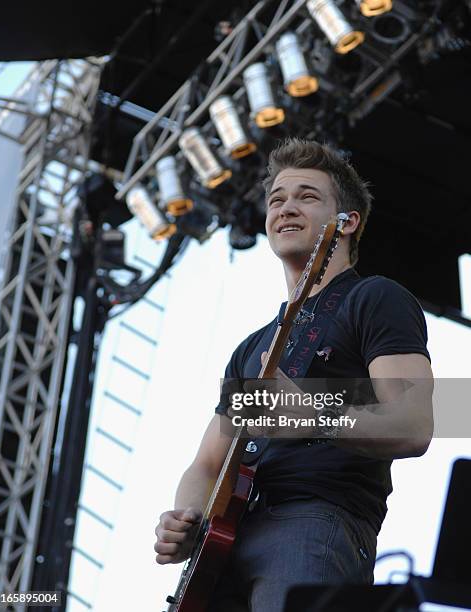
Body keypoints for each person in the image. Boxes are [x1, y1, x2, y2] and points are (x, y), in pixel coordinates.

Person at [154, 138, 434, 611]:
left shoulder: (376, 299)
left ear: (347, 222)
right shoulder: (252, 348)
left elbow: (415, 425)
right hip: (221, 546)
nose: (286, 207)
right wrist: (188, 519)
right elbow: (207, 463)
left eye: (307, 196)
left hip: (315, 525)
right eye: (277, 199)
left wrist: (311, 411)